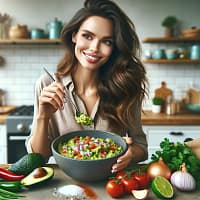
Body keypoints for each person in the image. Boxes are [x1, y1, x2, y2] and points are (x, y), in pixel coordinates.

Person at [26, 0, 148, 173]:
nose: (94, 48)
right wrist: (42, 117)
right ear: (74, 35)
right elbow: (39, 159)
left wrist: (131, 154)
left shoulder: (126, 86)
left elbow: (141, 147)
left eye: (107, 42)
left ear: (114, 48)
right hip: (67, 187)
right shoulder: (47, 84)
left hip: (113, 187)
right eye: (88, 36)